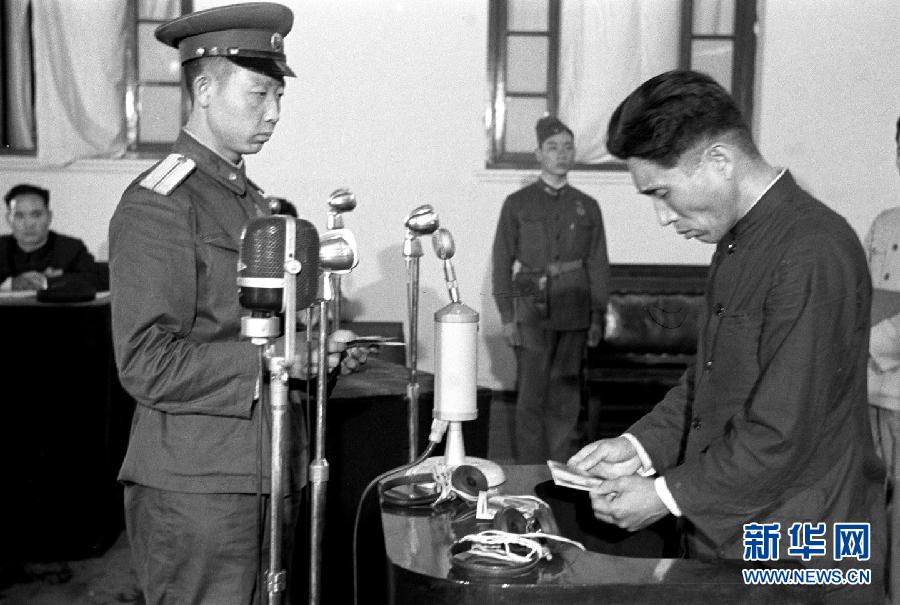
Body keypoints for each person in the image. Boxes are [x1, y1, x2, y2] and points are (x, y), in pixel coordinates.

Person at [568, 70, 886, 602]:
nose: (662, 216)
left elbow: (781, 431)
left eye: (662, 192)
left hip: (804, 547)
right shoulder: (737, 243)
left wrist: (663, 496)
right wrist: (638, 447)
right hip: (736, 529)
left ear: (719, 160)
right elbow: (710, 380)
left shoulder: (812, 250)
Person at [109, 4, 364, 603]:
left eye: (279, 96)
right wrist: (280, 360)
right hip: (198, 488)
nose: (273, 113)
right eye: (258, 94)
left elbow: (258, 331)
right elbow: (145, 361)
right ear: (204, 90)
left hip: (269, 469)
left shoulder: (253, 204)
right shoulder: (160, 203)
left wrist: (315, 349)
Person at [491, 115, 610, 464]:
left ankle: (558, 467)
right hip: (530, 307)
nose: (561, 154)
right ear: (538, 154)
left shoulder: (587, 206)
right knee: (531, 395)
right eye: (553, 147)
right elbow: (502, 262)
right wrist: (507, 316)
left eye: (567, 147)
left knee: (565, 394)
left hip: (574, 307)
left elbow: (598, 262)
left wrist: (597, 315)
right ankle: (530, 470)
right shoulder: (517, 203)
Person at [863, 114, 900, 603]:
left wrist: (869, 343)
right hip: (869, 395)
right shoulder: (886, 222)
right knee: (871, 511)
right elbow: (862, 296)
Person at [1, 183, 99, 291]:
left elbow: (95, 279)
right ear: (8, 219)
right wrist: (10, 284)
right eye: (19, 216)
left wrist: (45, 282)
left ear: (49, 216)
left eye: (36, 215)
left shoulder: (71, 248)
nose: (29, 224)